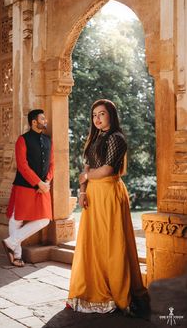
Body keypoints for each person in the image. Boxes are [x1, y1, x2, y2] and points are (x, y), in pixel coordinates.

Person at [67, 99, 147, 315]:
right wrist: (82, 191)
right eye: (94, 115)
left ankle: (120, 293)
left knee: (112, 242)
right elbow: (87, 166)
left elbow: (106, 169)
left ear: (111, 114)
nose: (97, 119)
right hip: (92, 194)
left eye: (101, 114)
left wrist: (85, 176)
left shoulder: (117, 138)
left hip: (109, 193)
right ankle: (92, 287)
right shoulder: (95, 138)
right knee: (93, 242)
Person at [2, 109, 54, 267]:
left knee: (45, 219)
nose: (45, 121)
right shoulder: (22, 140)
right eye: (42, 118)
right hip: (24, 186)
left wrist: (46, 181)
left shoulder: (48, 140)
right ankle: (16, 255)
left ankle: (10, 242)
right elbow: (22, 166)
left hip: (43, 186)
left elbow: (52, 163)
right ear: (34, 122)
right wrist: (38, 183)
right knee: (17, 219)